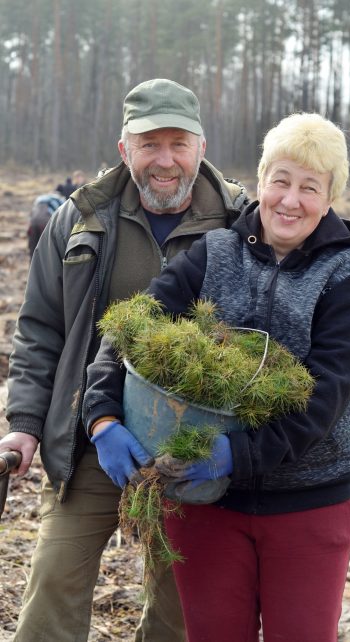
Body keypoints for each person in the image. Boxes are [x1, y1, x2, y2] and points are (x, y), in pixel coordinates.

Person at [83, 113, 350, 642]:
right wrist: (102, 418)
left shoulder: (347, 275)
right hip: (206, 501)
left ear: (330, 196)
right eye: (279, 181)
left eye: (309, 187)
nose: (289, 200)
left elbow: (324, 397)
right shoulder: (214, 253)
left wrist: (234, 454)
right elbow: (127, 329)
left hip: (308, 502)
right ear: (260, 181)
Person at [2, 78, 248, 642]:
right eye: (149, 144)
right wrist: (25, 426)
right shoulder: (79, 218)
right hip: (89, 442)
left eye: (178, 144)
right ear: (124, 148)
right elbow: (40, 329)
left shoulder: (239, 222)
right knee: (53, 583)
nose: (165, 161)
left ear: (201, 147)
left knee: (178, 606)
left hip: (190, 446)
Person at [27, 190, 65, 257]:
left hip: (33, 223)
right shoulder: (59, 199)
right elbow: (63, 216)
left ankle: (32, 266)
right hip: (46, 223)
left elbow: (31, 213)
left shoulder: (40, 199)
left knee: (33, 248)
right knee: (46, 249)